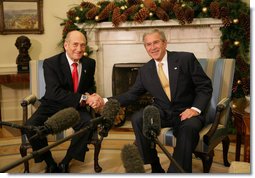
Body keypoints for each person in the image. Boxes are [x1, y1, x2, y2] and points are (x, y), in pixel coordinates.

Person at [89, 29, 212, 173]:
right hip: (162, 112)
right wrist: (104, 100)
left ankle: (177, 172)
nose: (152, 47)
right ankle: (155, 165)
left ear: (164, 43)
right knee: (138, 119)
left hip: (187, 111)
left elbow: (204, 86)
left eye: (156, 42)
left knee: (188, 129)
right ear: (145, 47)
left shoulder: (185, 59)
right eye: (148, 44)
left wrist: (195, 109)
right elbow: (131, 95)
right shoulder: (145, 70)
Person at [25, 30, 98, 173]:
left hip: (76, 108)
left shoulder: (90, 63)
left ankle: (66, 161)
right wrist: (84, 98)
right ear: (66, 45)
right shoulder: (51, 63)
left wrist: (92, 95)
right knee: (31, 126)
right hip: (52, 104)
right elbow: (53, 92)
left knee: (88, 123)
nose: (79, 49)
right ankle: (49, 162)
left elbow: (89, 85)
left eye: (82, 45)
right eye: (75, 44)